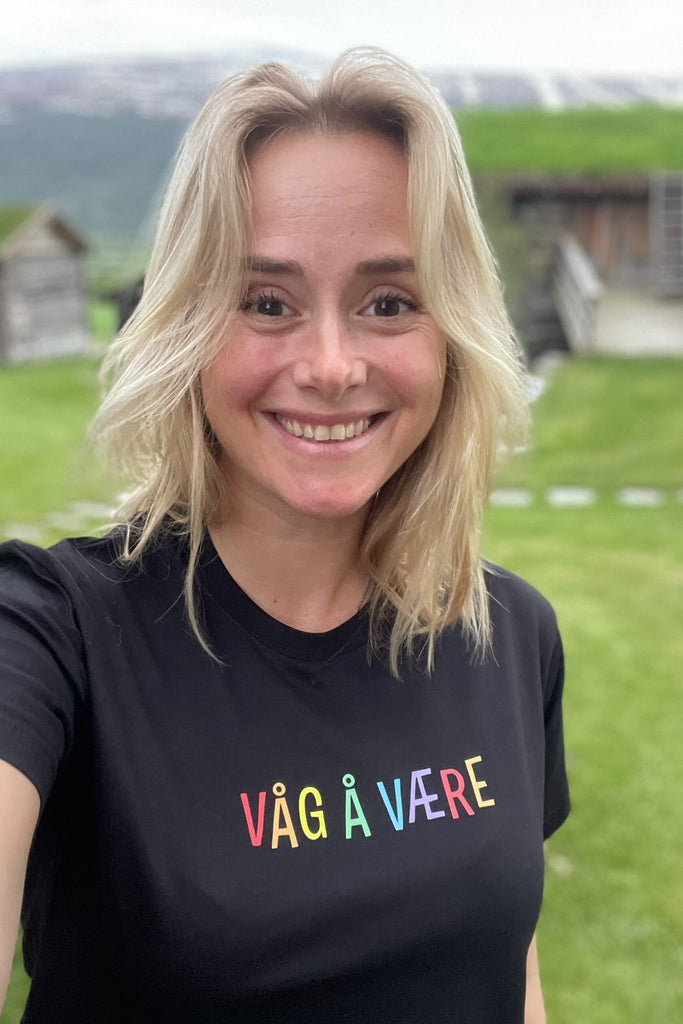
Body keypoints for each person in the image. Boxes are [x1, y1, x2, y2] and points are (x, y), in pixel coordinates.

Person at [0, 48, 569, 1023]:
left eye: (388, 302)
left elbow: (508, 969)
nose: (331, 365)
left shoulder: (508, 631)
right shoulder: (53, 637)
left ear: (451, 336)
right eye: (266, 302)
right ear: (186, 326)